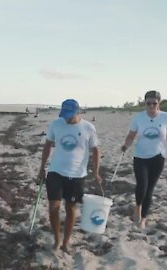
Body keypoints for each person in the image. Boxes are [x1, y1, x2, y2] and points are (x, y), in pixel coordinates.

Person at [38, 99, 102, 254]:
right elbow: (47, 145)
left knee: (70, 208)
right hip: (56, 172)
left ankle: (66, 242)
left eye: (69, 115)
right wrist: (42, 168)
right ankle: (57, 239)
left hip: (77, 174)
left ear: (77, 111)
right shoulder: (56, 124)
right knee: (54, 207)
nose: (66, 118)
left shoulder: (88, 128)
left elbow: (95, 150)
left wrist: (96, 171)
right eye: (64, 114)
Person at [121, 90, 167, 229]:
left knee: (150, 188)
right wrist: (125, 145)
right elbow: (131, 135)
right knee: (142, 185)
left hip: (158, 157)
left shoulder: (166, 117)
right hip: (140, 156)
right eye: (148, 103)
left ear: (159, 103)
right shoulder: (139, 118)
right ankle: (138, 207)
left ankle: (143, 218)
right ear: (145, 103)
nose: (151, 106)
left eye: (154, 103)